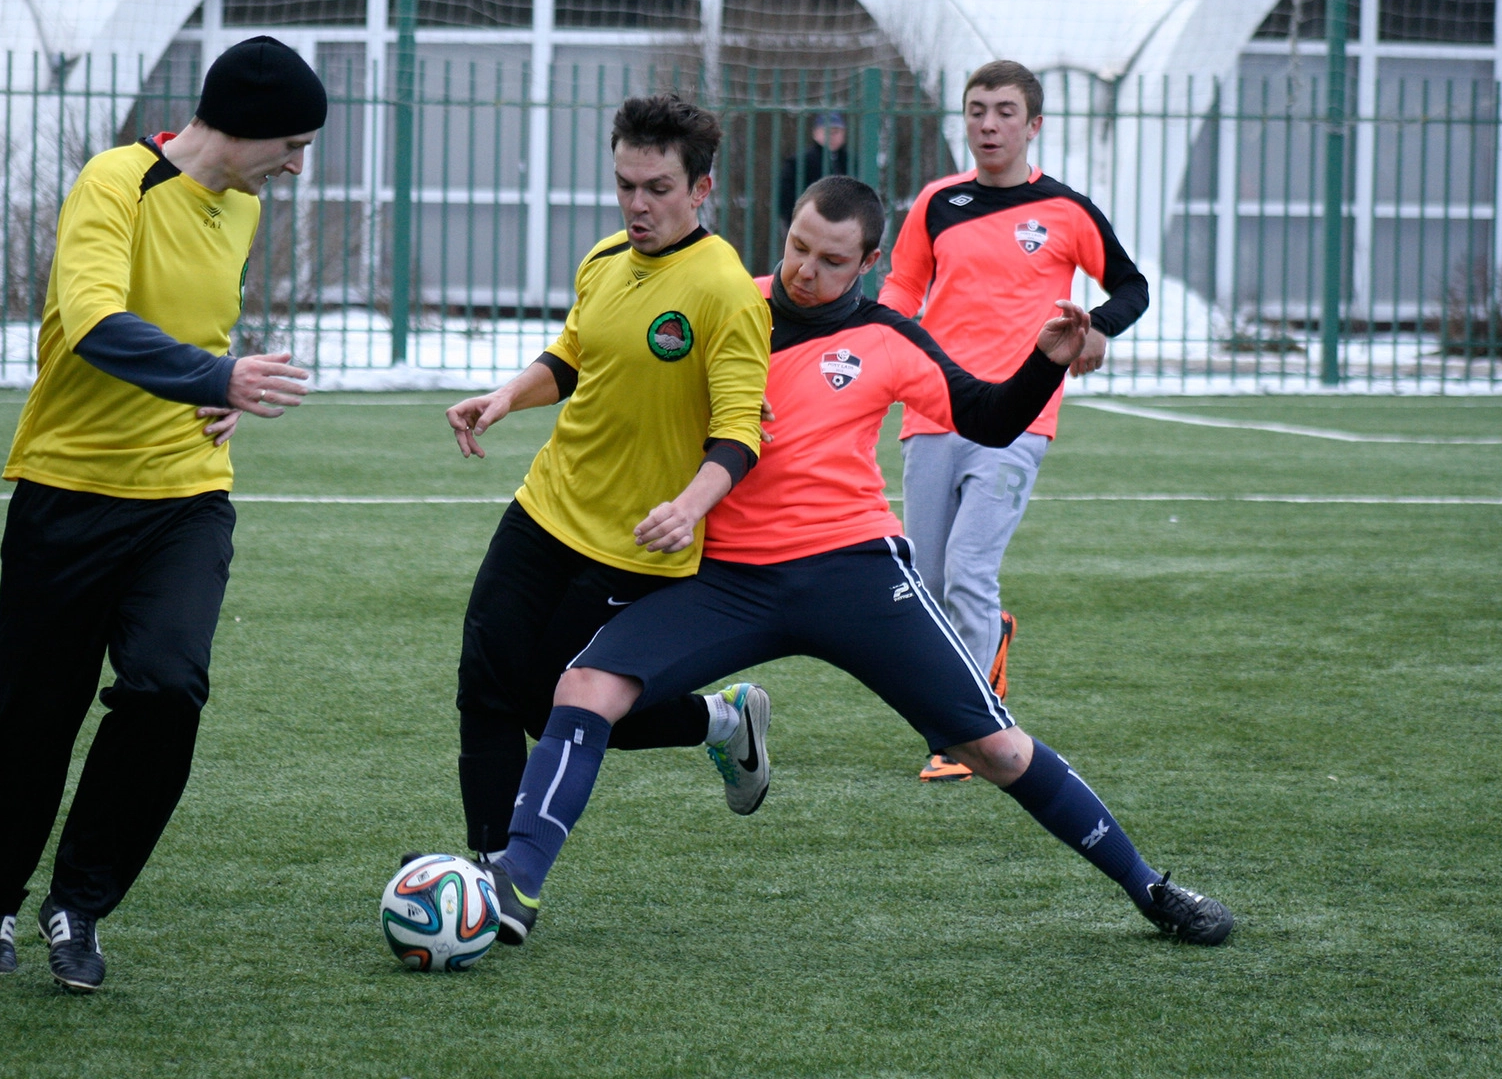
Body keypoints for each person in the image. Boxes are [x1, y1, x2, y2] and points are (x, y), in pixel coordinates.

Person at [481, 176, 1232, 949]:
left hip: (855, 574)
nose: (806, 270)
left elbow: (986, 417)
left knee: (993, 748)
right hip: (728, 578)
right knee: (583, 688)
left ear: (870, 262)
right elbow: (626, 375)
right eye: (798, 247)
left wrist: (1044, 363)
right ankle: (516, 883)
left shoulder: (889, 337)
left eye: (832, 260)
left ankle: (1150, 886)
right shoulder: (725, 304)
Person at [0, 35, 325, 992]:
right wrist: (216, 375)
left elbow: (202, 335)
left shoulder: (241, 209)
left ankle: (79, 904)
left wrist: (219, 392)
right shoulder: (115, 181)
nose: (296, 166)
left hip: (184, 500)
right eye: (291, 144)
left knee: (167, 689)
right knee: (34, 724)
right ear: (241, 126)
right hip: (68, 492)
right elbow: (95, 323)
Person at [441, 94, 773, 881]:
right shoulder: (604, 259)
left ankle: (720, 721)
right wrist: (506, 396)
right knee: (484, 684)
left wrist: (689, 506)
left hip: (635, 542)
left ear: (701, 188)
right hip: (545, 508)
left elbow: (740, 430)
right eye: (626, 185)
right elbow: (573, 355)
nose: (637, 205)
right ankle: (489, 873)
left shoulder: (725, 292)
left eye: (657, 188)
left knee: (555, 703)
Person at [878, 60, 1149, 782]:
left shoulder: (1067, 210)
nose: (989, 124)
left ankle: (964, 733)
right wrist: (877, 346)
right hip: (934, 410)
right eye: (977, 110)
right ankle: (985, 647)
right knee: (928, 579)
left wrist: (1097, 327)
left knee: (969, 573)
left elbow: (1132, 285)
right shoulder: (937, 202)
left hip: (1020, 418)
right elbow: (901, 289)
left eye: (1004, 112)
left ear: (1033, 126)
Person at [776, 112, 848, 226]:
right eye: (826, 131)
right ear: (815, 133)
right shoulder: (799, 162)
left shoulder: (852, 161)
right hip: (807, 225)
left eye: (836, 132)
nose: (831, 136)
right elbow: (785, 197)